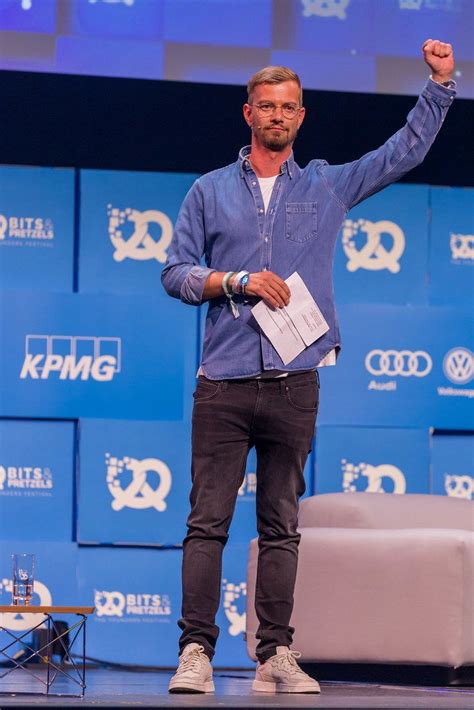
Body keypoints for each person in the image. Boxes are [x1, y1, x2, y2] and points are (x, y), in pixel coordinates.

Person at [161, 39, 455, 695]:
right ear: (248, 115)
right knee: (206, 522)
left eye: (288, 106)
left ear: (301, 115)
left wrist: (440, 86)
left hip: (295, 384)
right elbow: (175, 274)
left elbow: (401, 152)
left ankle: (276, 654)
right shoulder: (209, 192)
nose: (277, 115)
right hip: (225, 384)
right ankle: (195, 653)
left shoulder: (325, 185)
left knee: (281, 527)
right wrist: (235, 280)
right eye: (266, 106)